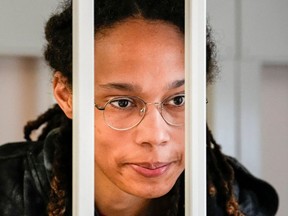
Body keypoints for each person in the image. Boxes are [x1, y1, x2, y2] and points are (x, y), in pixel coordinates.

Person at [0, 0, 278, 215]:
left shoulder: (235, 201)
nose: (156, 136)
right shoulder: (7, 191)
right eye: (122, 103)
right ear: (66, 95)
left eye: (178, 99)